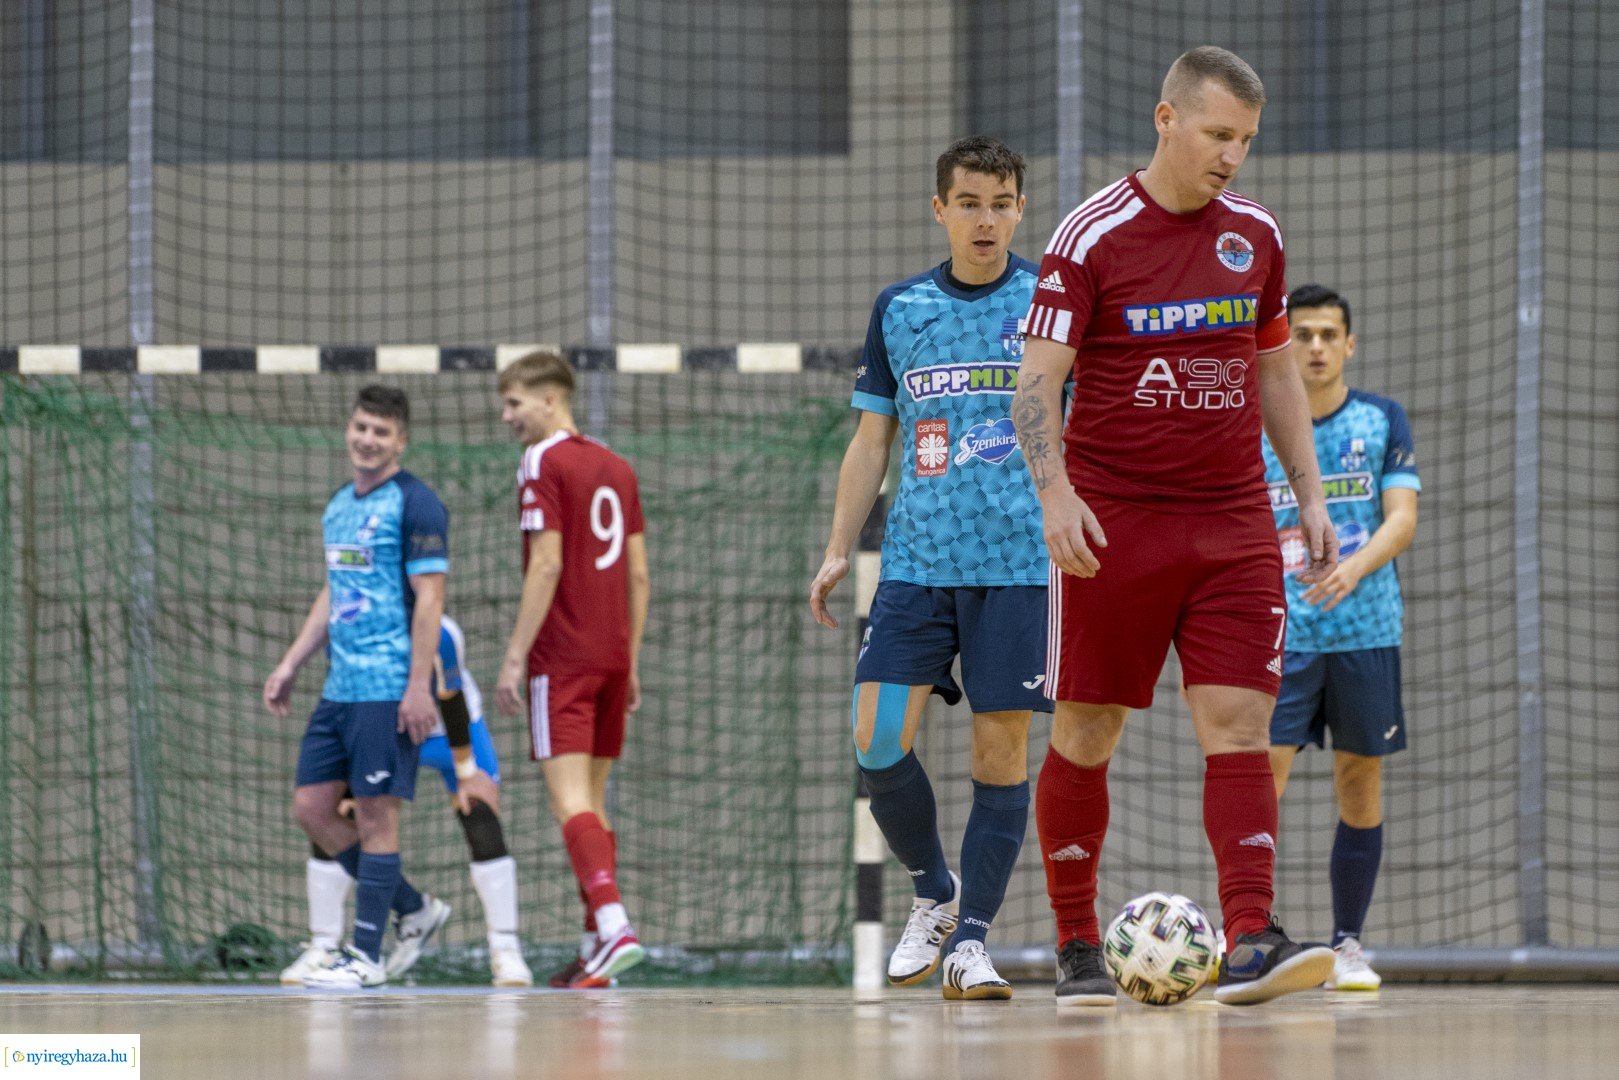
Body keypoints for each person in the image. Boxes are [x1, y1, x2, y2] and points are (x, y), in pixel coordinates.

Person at [1012, 46, 1341, 1007]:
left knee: (1237, 720)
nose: (1231, 155)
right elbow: (1036, 382)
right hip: (1113, 524)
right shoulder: (1091, 235)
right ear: (1166, 120)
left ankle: (1249, 938)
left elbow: (1275, 366)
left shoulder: (1255, 236)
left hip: (1233, 521)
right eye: (1216, 134)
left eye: (1244, 139)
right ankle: (1075, 942)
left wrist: (1308, 492)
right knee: (1086, 728)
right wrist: (1054, 493)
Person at [808, 135, 1050, 1001]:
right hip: (914, 562)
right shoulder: (900, 307)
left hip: (1021, 566)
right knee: (876, 741)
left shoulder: (1047, 304)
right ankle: (933, 894)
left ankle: (973, 942)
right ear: (939, 208)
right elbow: (872, 437)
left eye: (1000, 203)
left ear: (1020, 209)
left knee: (999, 754)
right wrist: (840, 546)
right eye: (968, 202)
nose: (985, 219)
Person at [264, 384, 453, 989]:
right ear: (349, 430)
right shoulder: (339, 506)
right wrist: (292, 661)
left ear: (401, 440)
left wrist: (418, 686)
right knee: (313, 808)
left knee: (376, 817)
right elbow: (336, 591)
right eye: (361, 427)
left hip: (388, 685)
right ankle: (415, 909)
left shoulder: (417, 504)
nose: (368, 439)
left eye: (381, 431)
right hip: (339, 687)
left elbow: (431, 600)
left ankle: (366, 958)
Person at [1263, 284, 1420, 992]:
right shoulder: (1257, 423)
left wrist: (1350, 571)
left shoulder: (1380, 419)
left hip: (1364, 631)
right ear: (1282, 342)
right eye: (1302, 334)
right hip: (1279, 636)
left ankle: (1347, 945)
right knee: (1258, 786)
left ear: (1348, 345)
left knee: (1359, 783)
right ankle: (1251, 935)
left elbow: (1402, 517)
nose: (1316, 347)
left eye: (1328, 334)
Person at [494, 351, 650, 989]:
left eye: (513, 403)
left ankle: (614, 927)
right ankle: (596, 950)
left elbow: (548, 564)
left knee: (569, 803)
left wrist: (513, 653)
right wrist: (631, 661)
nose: (507, 418)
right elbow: (639, 575)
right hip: (613, 654)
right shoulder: (616, 465)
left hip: (561, 657)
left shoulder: (541, 461)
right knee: (593, 804)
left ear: (550, 398)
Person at [280, 614, 533, 988]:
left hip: (448, 730)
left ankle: (506, 948)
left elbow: (451, 695)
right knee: (330, 811)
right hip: (383, 728)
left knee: (478, 809)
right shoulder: (349, 625)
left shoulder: (442, 631)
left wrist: (466, 769)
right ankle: (324, 944)